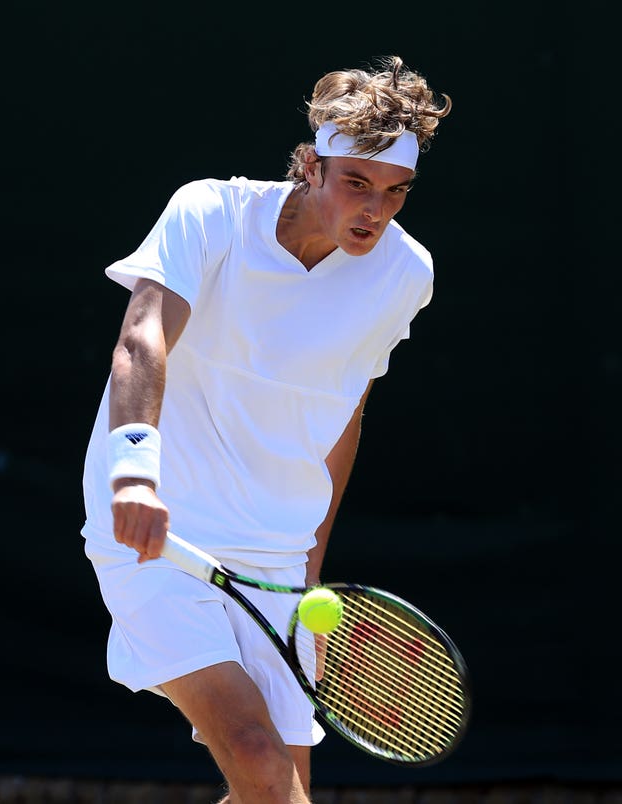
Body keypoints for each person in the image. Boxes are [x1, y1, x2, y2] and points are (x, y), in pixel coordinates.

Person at [81, 54, 451, 804]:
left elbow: (345, 413)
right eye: (355, 183)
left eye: (394, 193)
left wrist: (311, 561)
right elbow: (141, 339)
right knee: (255, 754)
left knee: (275, 799)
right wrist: (133, 475)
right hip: (158, 526)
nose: (373, 211)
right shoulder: (209, 213)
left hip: (276, 550)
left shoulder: (405, 274)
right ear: (309, 167)